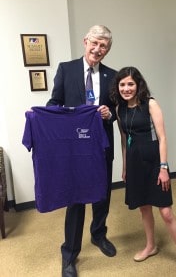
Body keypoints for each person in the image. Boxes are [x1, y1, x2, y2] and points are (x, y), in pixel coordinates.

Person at [46, 25, 117, 277]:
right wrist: (46, 116)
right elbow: (54, 103)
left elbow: (119, 110)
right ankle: (69, 254)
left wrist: (110, 114)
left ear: (108, 50)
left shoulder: (113, 75)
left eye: (104, 46)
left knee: (102, 195)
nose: (98, 49)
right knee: (75, 200)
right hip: (74, 149)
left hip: (100, 146)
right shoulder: (66, 69)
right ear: (85, 41)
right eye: (95, 43)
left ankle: (99, 235)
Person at [110, 66, 176, 277]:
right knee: (144, 208)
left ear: (138, 85)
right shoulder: (119, 109)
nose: (126, 88)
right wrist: (125, 166)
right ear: (118, 87)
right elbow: (124, 140)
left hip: (154, 162)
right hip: (135, 164)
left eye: (130, 84)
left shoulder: (150, 104)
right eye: (122, 84)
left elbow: (163, 137)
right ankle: (150, 246)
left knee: (166, 212)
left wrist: (164, 168)